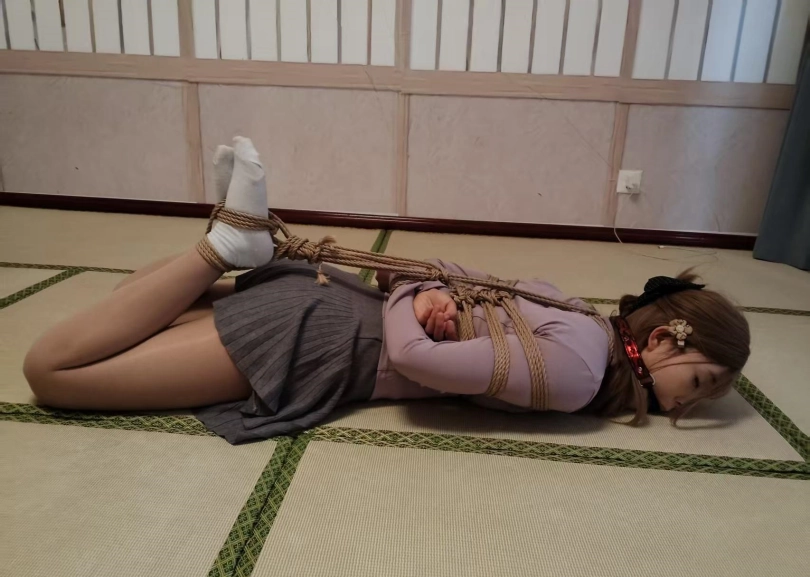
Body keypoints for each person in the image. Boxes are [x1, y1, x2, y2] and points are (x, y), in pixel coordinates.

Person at [23, 138, 751, 444]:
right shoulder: (580, 374)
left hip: (334, 298)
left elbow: (444, 274)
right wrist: (418, 299)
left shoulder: (576, 311)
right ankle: (227, 244)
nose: (691, 402)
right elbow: (413, 356)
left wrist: (422, 290)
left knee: (138, 304)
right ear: (663, 339)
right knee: (52, 372)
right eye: (701, 381)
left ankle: (227, 241)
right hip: (329, 340)